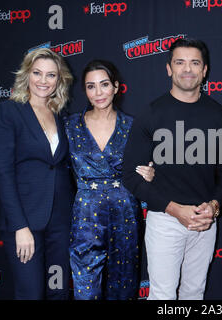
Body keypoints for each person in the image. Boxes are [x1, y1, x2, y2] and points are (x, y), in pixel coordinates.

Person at [122, 38, 222, 300]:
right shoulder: (151, 114)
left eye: (195, 62)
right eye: (180, 62)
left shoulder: (219, 115)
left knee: (194, 293)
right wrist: (174, 209)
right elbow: (130, 175)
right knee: (162, 296)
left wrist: (214, 206)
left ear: (205, 70)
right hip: (165, 220)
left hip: (204, 221)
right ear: (168, 69)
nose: (187, 69)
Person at [64, 60, 155, 300]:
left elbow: (151, 168)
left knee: (123, 287)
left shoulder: (133, 126)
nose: (98, 93)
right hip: (85, 217)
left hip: (125, 213)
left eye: (104, 85)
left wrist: (151, 174)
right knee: (85, 289)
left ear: (116, 87)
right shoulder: (70, 126)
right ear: (84, 91)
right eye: (91, 86)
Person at [0, 48, 75, 299]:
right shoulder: (9, 111)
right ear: (26, 74)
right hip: (25, 222)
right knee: (31, 293)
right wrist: (20, 226)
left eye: (51, 75)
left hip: (60, 221)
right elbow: (2, 172)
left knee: (58, 291)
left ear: (59, 80)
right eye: (37, 73)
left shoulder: (60, 114)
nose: (43, 80)